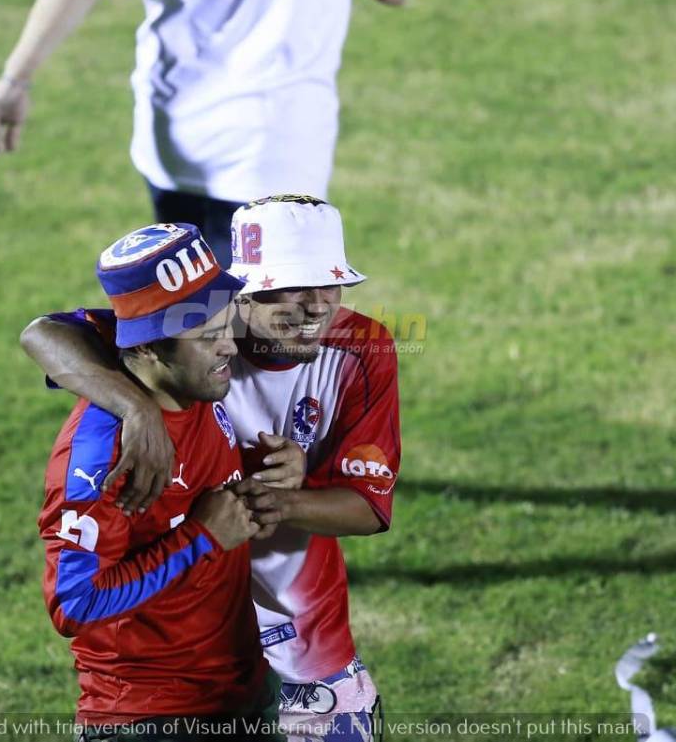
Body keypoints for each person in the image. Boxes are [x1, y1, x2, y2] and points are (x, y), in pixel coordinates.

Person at [23, 196, 400, 742]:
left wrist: (283, 476)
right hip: (154, 706)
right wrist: (137, 410)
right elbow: (41, 333)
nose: (317, 308)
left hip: (251, 675)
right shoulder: (132, 416)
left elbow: (366, 503)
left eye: (331, 286)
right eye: (293, 288)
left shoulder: (206, 370)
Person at [0, 0, 416, 265]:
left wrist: (16, 79)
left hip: (171, 132)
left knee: (184, 337)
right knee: (261, 357)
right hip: (276, 148)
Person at [38, 222, 293, 740]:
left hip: (242, 689)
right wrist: (201, 538)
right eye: (205, 334)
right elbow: (75, 602)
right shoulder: (101, 457)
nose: (229, 346)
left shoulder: (189, 385)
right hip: (151, 717)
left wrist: (263, 469)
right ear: (148, 349)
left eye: (227, 322)